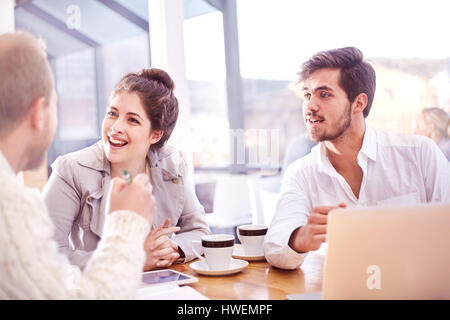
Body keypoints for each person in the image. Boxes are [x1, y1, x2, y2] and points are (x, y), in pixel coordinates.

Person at [264, 47, 450, 270]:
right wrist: (300, 238)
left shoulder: (420, 153)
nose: (310, 106)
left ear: (358, 103)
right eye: (307, 95)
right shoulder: (301, 172)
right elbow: (274, 246)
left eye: (324, 94)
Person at [0, 31, 155, 299]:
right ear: (39, 113)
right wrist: (126, 222)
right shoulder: (8, 207)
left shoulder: (171, 164)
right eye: (56, 106)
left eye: (132, 120)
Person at [42, 68, 210, 271]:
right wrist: (133, 259)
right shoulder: (71, 170)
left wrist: (173, 247)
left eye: (132, 120)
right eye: (112, 114)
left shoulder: (172, 164)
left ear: (155, 135)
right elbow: (44, 255)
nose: (115, 127)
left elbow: (200, 230)